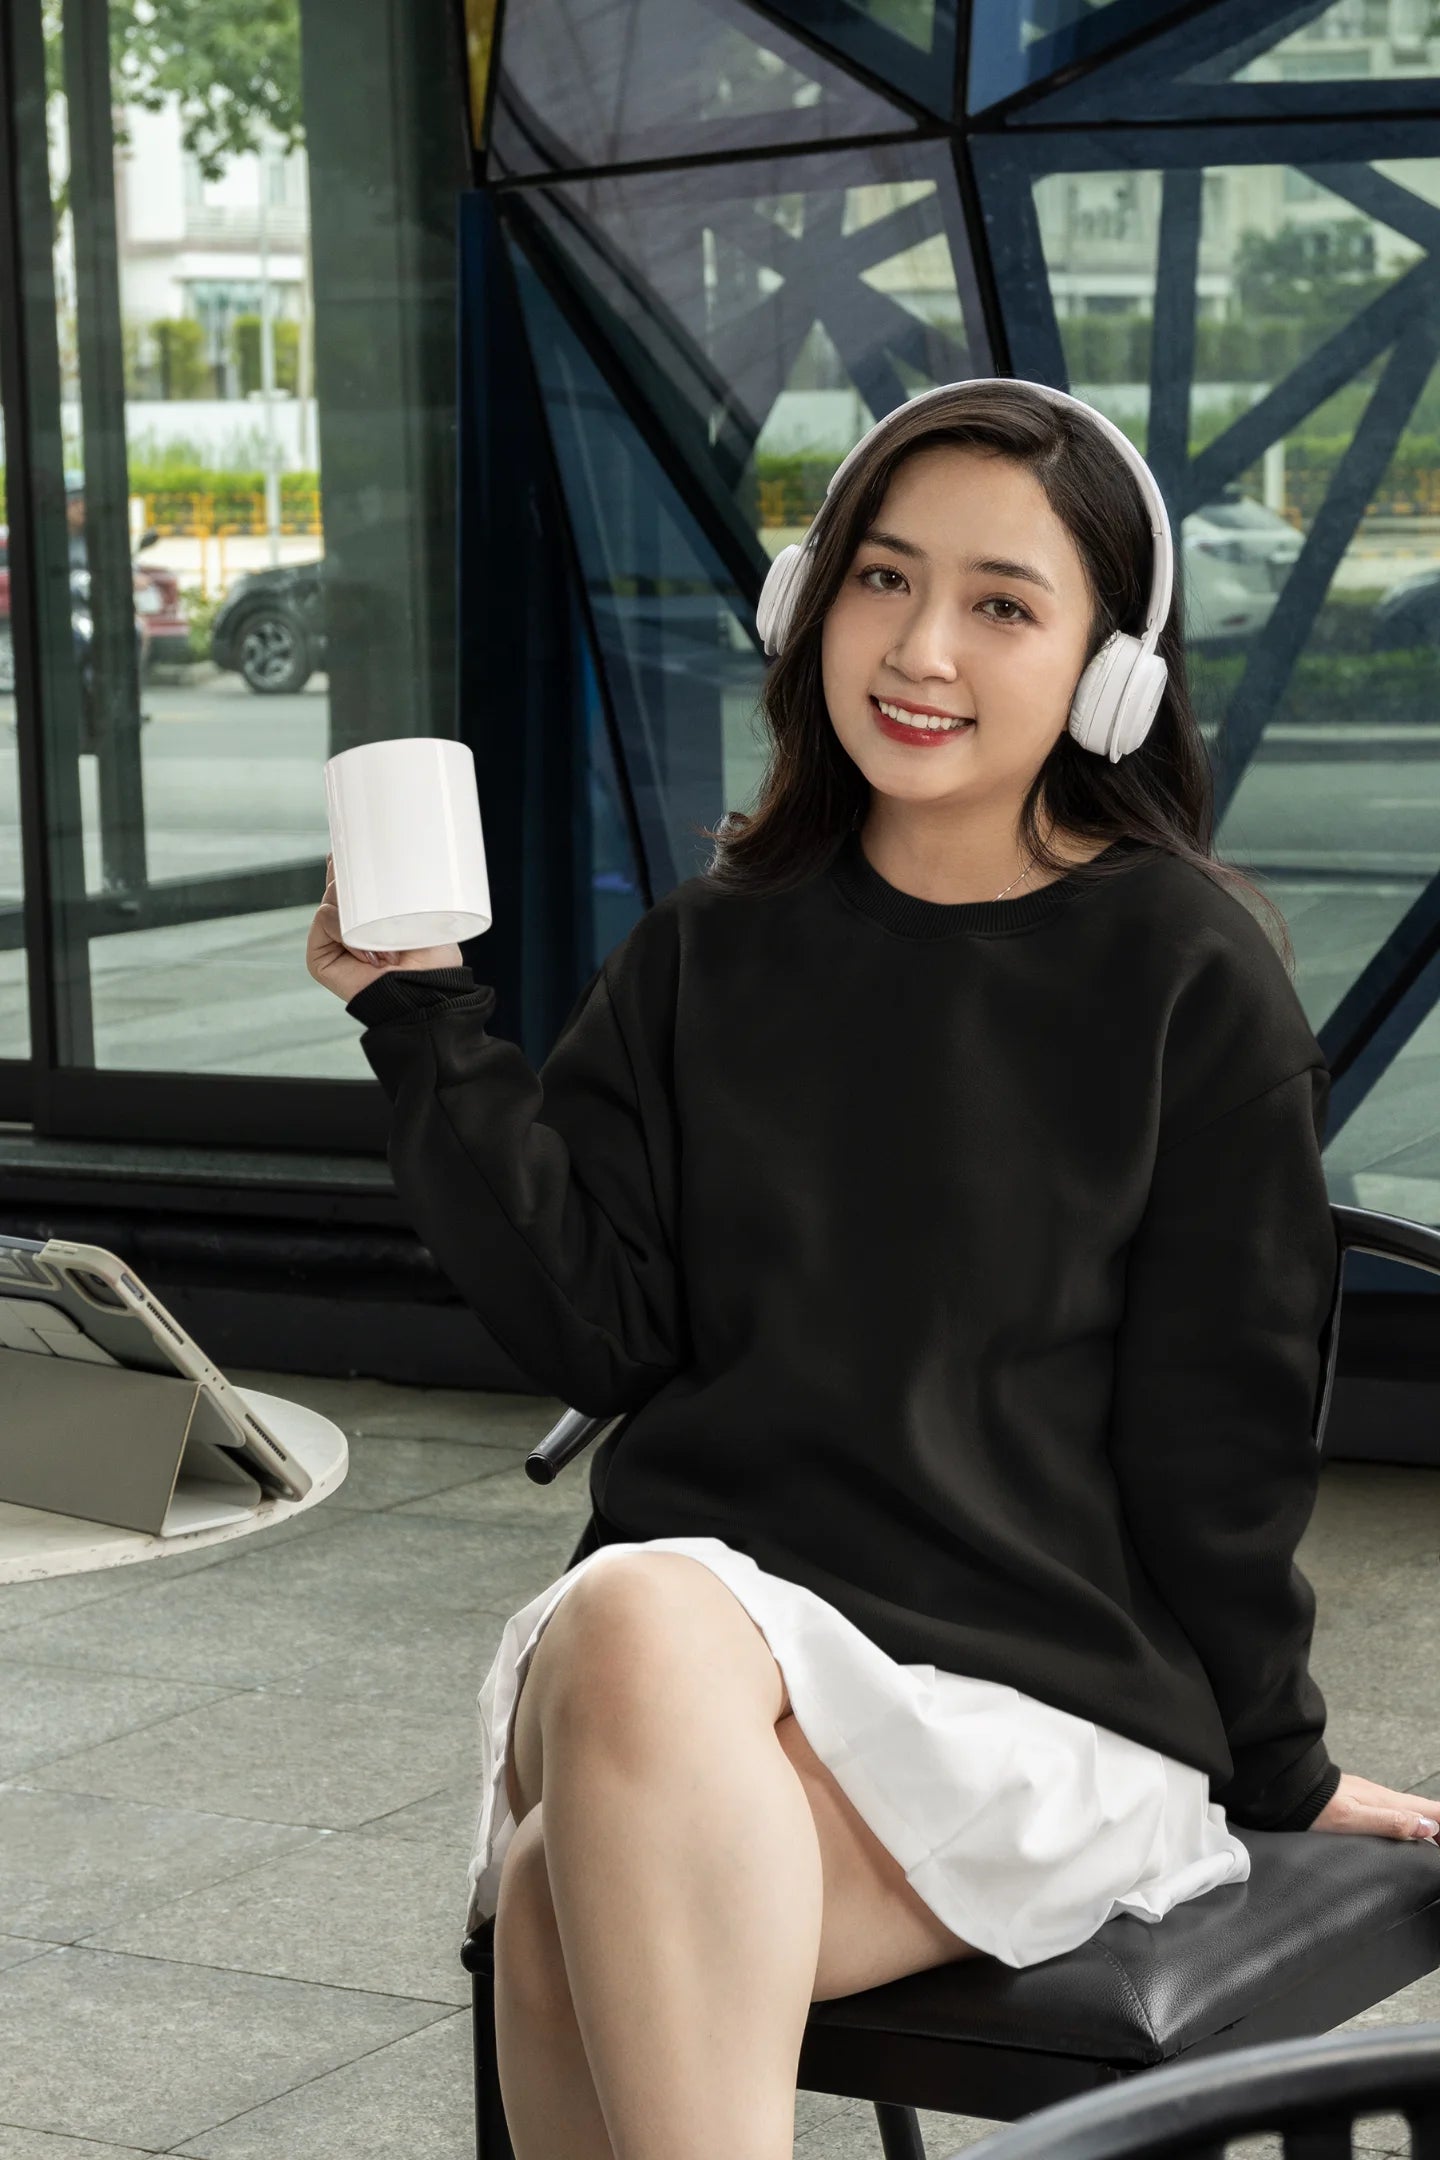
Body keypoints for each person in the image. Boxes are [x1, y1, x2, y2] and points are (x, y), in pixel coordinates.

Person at [306, 377, 1439, 2160]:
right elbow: (599, 1326)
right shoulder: (712, 948)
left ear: (1107, 675)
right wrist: (419, 1021)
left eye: (1003, 605)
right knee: (633, 1642)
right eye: (883, 579)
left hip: (1043, 1702)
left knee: (557, 1880)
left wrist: (1281, 1764)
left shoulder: (1183, 970)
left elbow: (1214, 1448)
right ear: (808, 603)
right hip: (700, 1682)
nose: (921, 648)